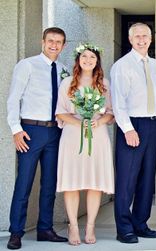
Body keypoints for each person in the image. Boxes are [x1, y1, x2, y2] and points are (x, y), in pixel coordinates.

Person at [6, 27, 69, 250]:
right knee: (24, 183)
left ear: (64, 45)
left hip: (55, 132)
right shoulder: (27, 65)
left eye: (59, 42)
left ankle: (45, 229)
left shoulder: (63, 70)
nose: (54, 45)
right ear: (43, 42)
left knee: (50, 183)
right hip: (30, 131)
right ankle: (16, 232)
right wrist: (15, 129)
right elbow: (14, 98)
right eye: (50, 41)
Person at [55, 43, 114, 245]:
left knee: (94, 182)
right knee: (72, 182)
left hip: (97, 136)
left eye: (92, 57)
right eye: (84, 57)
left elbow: (111, 112)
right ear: (78, 60)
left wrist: (99, 121)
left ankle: (90, 227)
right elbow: (60, 111)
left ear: (97, 61)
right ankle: (73, 227)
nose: (88, 61)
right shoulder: (68, 83)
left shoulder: (103, 83)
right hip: (73, 135)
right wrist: (80, 122)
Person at [111, 22, 156, 244]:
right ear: (131, 40)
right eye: (137, 36)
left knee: (147, 177)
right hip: (132, 124)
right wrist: (128, 129)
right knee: (127, 179)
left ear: (151, 39)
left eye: (145, 36)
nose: (142, 40)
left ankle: (140, 223)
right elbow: (118, 101)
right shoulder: (122, 66)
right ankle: (124, 228)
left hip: (153, 124)